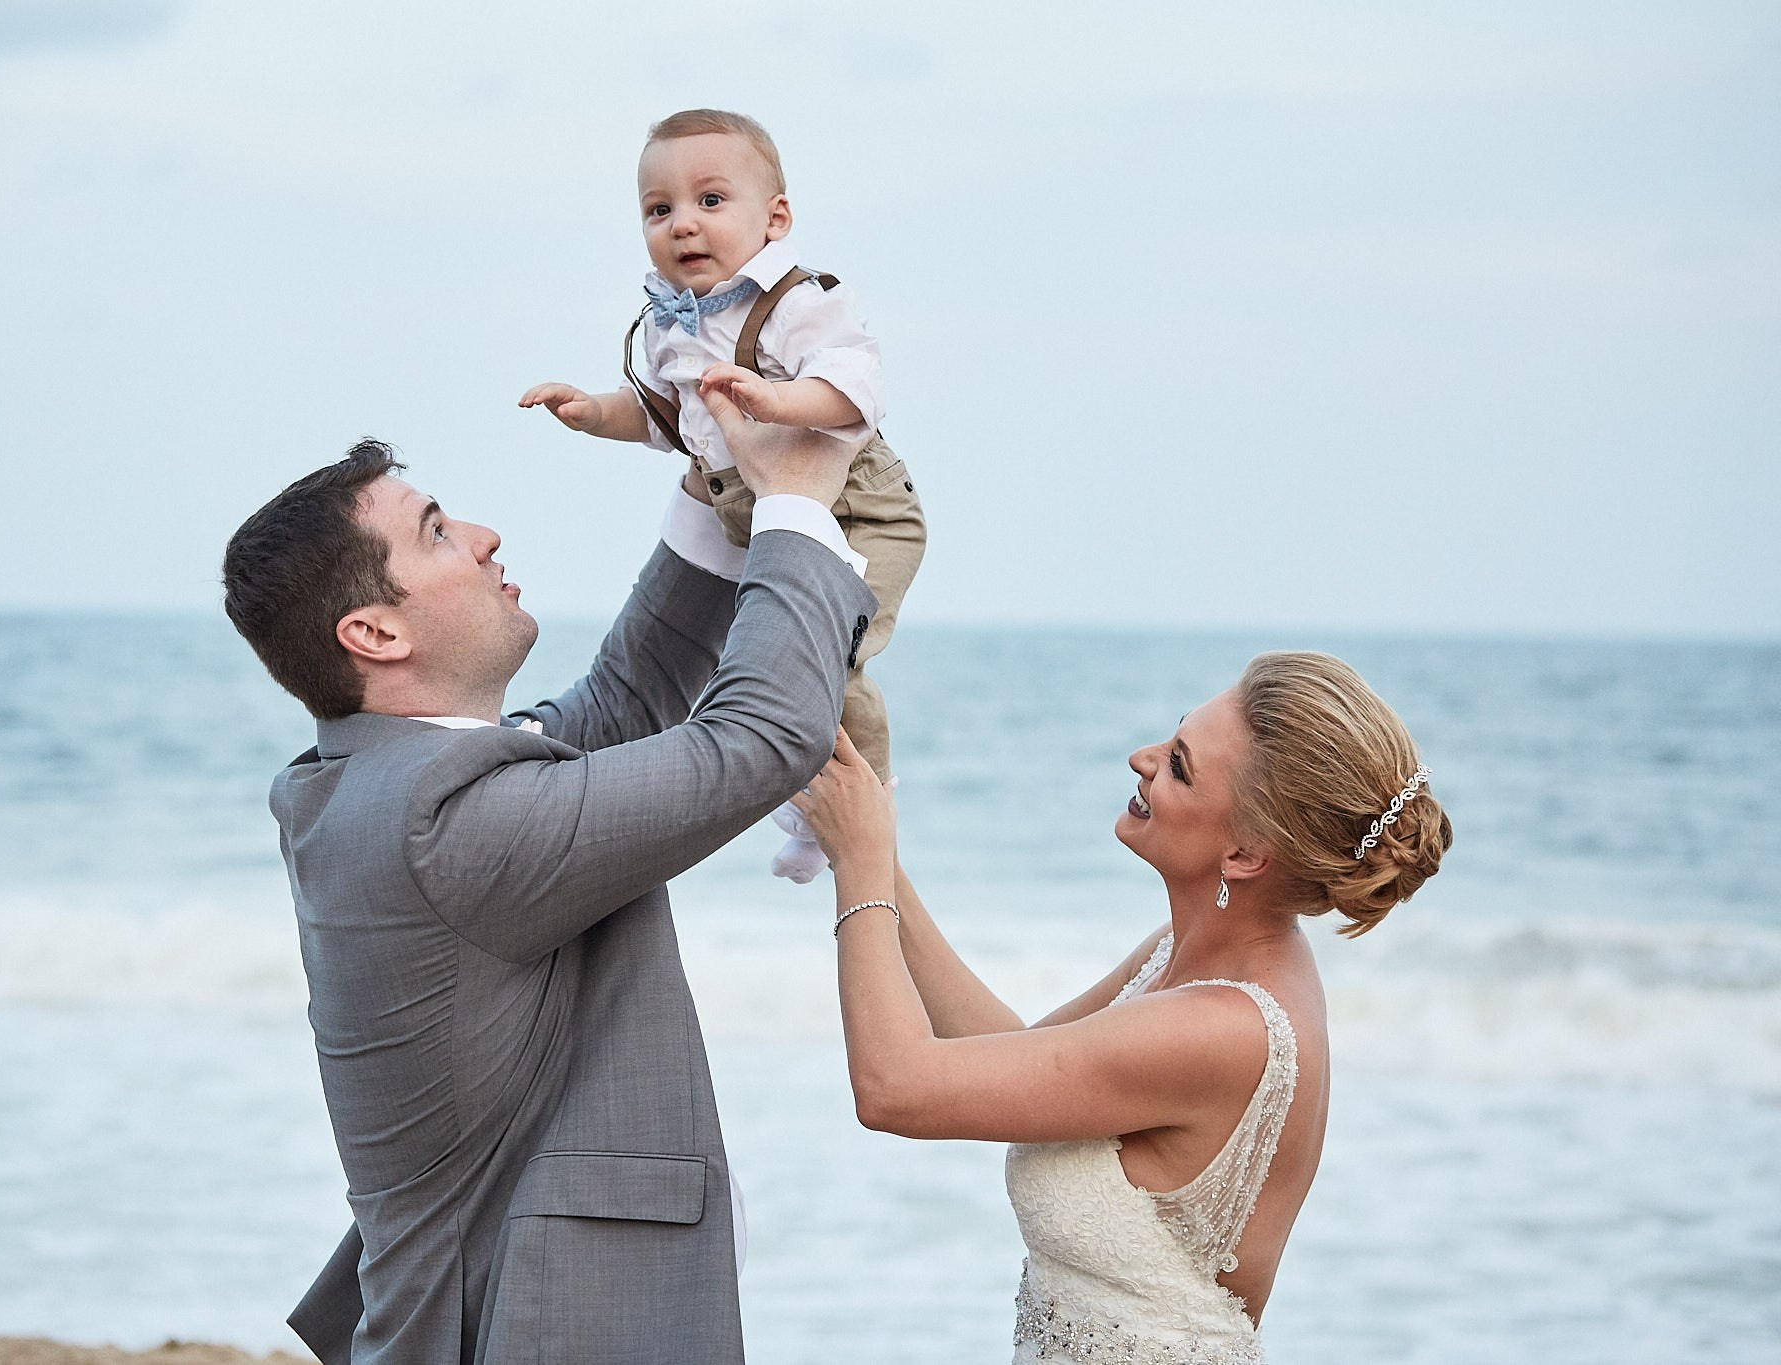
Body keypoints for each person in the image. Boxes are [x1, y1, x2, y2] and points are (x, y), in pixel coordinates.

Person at [220, 401, 876, 1364]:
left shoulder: (377, 783)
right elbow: (761, 741)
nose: (484, 538)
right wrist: (794, 504)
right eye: (437, 531)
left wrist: (710, 479)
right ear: (375, 632)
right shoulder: (444, 825)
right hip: (534, 1328)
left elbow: (622, 704)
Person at [793, 652, 1452, 1363]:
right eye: (1172, 737)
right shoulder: (1187, 953)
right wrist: (868, 841)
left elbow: (896, 1086)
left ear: (1247, 853)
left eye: (1179, 765)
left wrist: (861, 864)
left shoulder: (1226, 1028)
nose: (1140, 758)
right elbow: (1016, 1051)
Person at [520, 107, 926, 883]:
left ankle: (858, 810)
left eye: (710, 201)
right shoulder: (668, 326)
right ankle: (808, 796)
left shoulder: (800, 302)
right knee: (752, 668)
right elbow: (662, 416)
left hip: (860, 510)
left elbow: (857, 384)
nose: (682, 225)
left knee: (828, 664)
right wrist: (591, 412)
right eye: (658, 209)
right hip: (754, 515)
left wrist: (782, 403)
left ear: (774, 219)